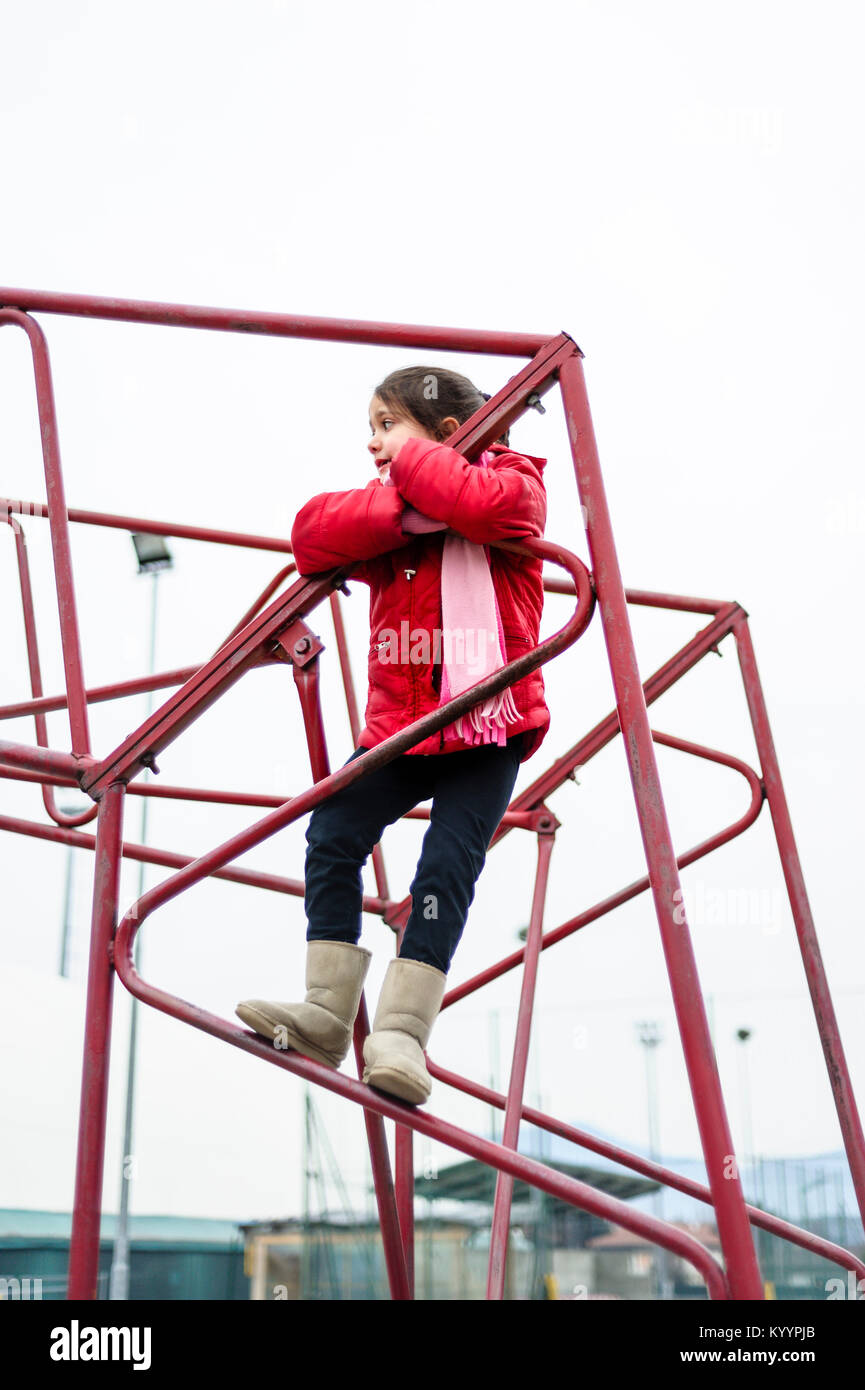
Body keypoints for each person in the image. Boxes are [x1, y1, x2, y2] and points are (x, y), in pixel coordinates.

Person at [236, 366, 549, 1105]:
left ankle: (402, 1031)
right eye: (371, 429)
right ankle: (324, 1009)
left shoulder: (518, 485)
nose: (372, 442)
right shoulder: (393, 516)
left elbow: (487, 505)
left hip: (487, 725)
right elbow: (310, 534)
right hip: (405, 725)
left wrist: (416, 473)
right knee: (332, 832)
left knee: (443, 870)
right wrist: (405, 509)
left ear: (447, 433)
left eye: (386, 425)